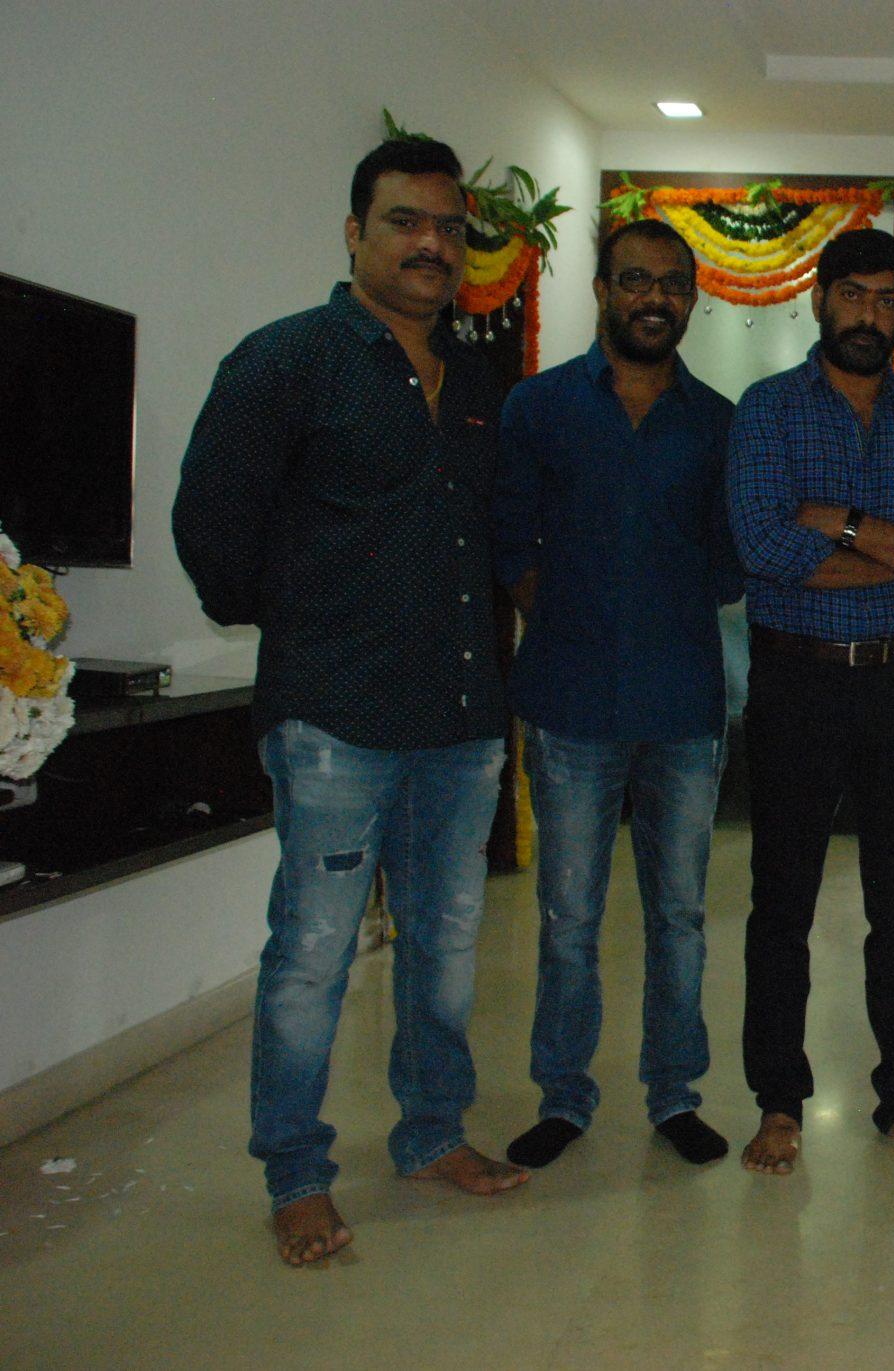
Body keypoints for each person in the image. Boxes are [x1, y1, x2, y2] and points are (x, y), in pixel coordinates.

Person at [172, 136, 527, 1267]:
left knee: (446, 948)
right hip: (334, 715)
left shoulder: (480, 384)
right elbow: (211, 528)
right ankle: (295, 1172)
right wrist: (311, 622)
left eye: (449, 228)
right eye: (405, 222)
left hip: (462, 720)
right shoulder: (287, 361)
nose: (431, 244)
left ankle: (431, 1133)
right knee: (314, 953)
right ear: (355, 234)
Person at [725, 227, 894, 1173]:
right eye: (854, 295)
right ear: (820, 299)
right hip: (794, 678)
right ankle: (778, 1102)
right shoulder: (767, 410)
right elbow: (764, 549)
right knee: (781, 901)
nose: (870, 315)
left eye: (888, 299)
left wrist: (836, 521)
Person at [492, 219, 739, 1172]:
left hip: (681, 703)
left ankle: (675, 1093)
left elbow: (728, 560)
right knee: (568, 918)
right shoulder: (538, 407)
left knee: (679, 916)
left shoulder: (717, 422)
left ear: (691, 298)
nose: (653, 298)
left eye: (671, 284)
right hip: (571, 703)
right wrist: (574, 617)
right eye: (635, 279)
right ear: (602, 289)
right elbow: (510, 540)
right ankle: (564, 1095)